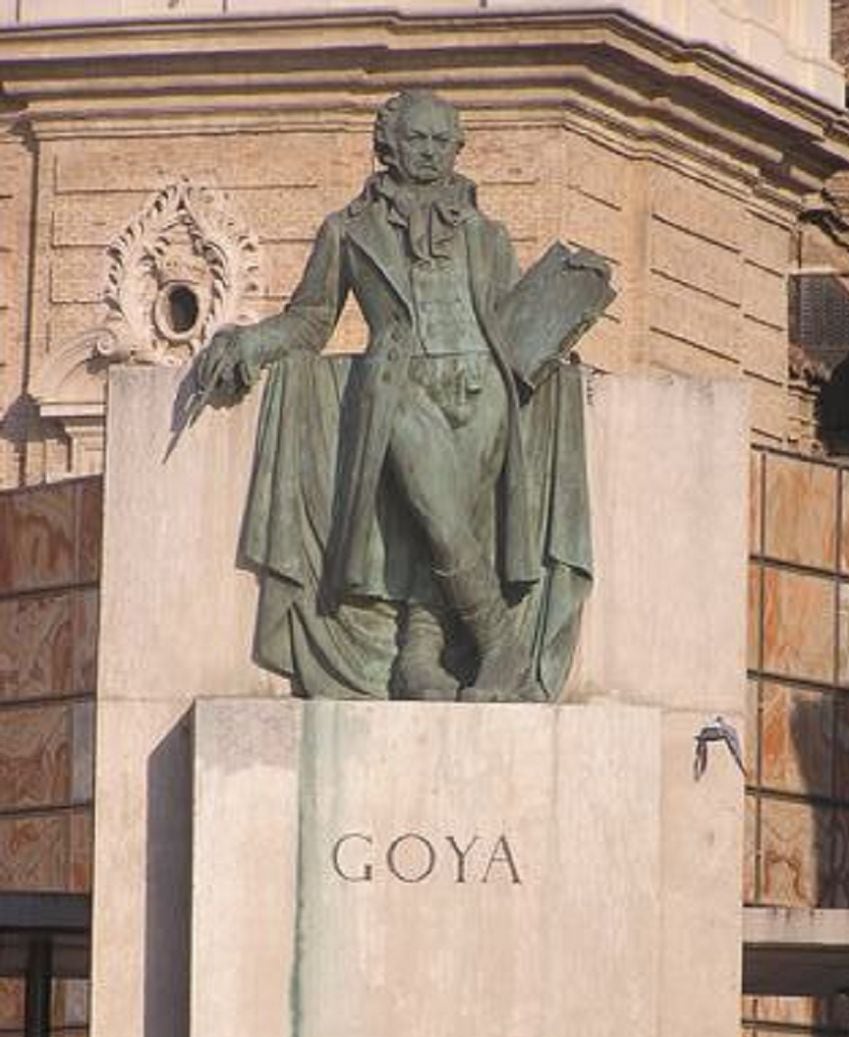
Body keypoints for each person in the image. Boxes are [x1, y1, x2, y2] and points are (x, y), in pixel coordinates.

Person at [196, 89, 591, 702]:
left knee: (448, 514)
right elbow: (310, 319)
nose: (430, 153)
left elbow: (508, 317)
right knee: (438, 506)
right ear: (388, 144)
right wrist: (250, 342)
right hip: (401, 382)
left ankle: (419, 656)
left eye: (441, 141)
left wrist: (557, 331)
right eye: (417, 139)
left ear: (458, 148)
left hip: (484, 382)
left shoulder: (488, 234)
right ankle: (500, 645)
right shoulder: (347, 231)